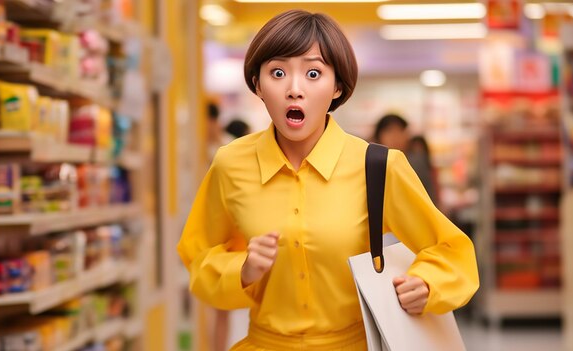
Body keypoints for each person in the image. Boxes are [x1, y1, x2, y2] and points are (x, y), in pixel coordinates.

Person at [178, 10, 478, 350]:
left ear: (337, 86)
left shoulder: (378, 166)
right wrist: (242, 269)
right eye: (278, 72)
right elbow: (199, 256)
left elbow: (451, 250)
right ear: (258, 84)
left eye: (313, 73)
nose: (294, 89)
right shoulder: (230, 165)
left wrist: (427, 283)